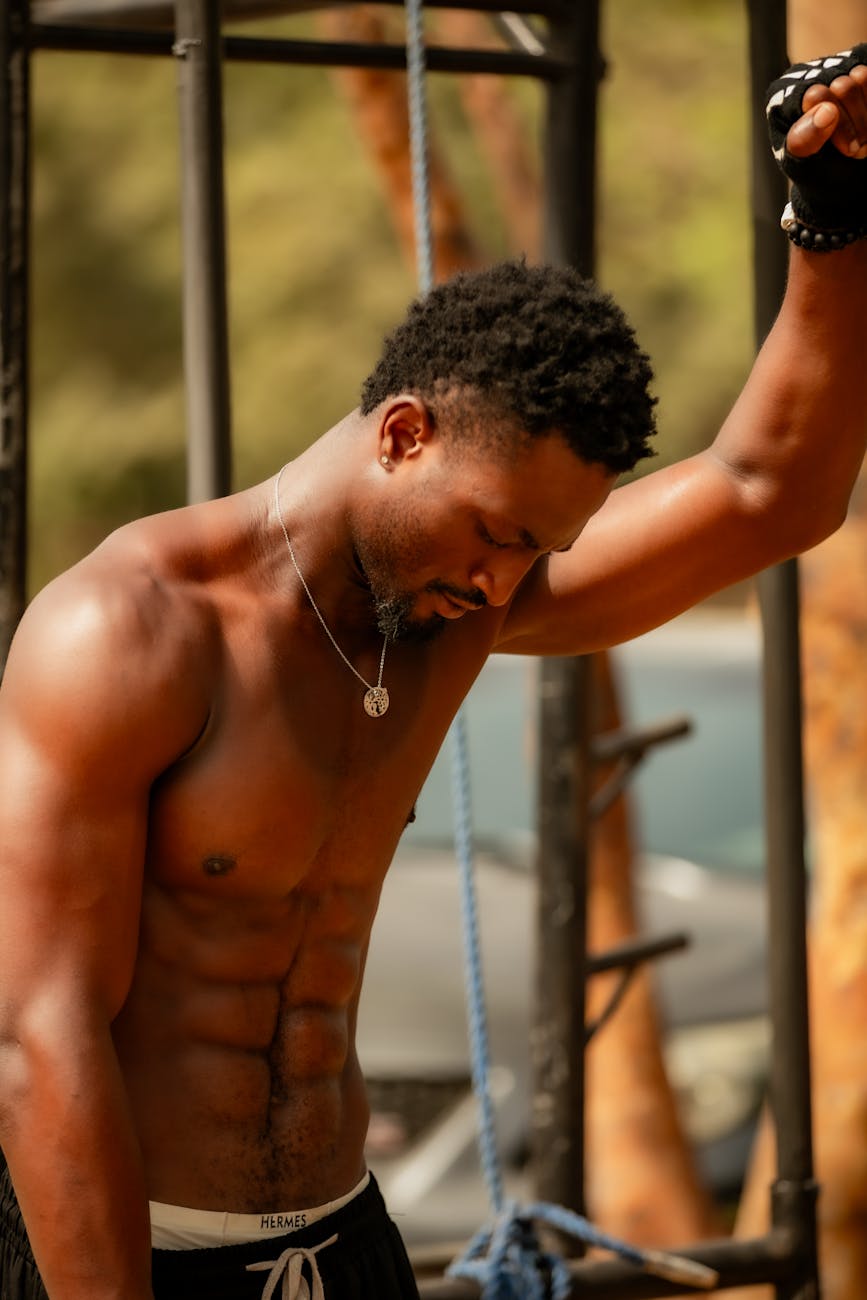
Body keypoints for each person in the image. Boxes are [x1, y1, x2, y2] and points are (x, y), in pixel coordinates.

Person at [1, 44, 867, 1300]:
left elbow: (769, 493)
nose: (507, 587)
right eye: (498, 535)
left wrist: (832, 224)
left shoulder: (443, 612)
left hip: (344, 1237)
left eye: (540, 554)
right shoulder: (130, 630)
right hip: (133, 1254)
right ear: (404, 434)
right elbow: (38, 1037)